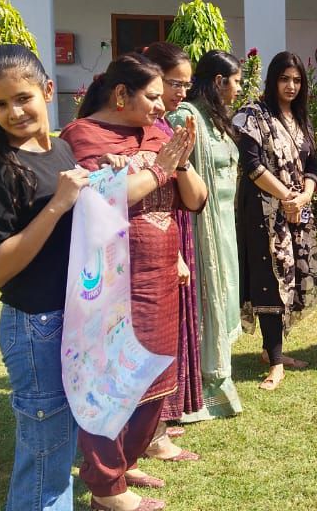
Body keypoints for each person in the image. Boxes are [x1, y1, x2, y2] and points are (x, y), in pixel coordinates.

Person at [61, 53, 205, 511]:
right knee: (112, 377)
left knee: (151, 377)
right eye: (153, 97)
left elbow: (196, 200)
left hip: (161, 273)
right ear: (121, 95)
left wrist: (178, 162)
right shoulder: (82, 136)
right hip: (113, 280)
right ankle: (106, 488)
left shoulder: (157, 133)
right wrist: (157, 167)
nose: (163, 107)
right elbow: (101, 201)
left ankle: (122, 463)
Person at [0, 44, 87, 511]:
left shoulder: (59, 148)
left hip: (71, 315)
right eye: (0, 104)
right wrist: (59, 203)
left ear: (47, 89)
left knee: (59, 446)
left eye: (23, 98)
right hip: (35, 324)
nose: (14, 112)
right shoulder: (0, 168)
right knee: (45, 458)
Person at [232, 51, 317, 390]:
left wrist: (303, 196)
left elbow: (313, 167)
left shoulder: (300, 119)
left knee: (295, 275)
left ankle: (275, 350)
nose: (291, 86)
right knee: (270, 278)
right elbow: (252, 165)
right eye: (285, 79)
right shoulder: (252, 115)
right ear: (271, 80)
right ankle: (274, 362)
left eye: (297, 80)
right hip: (263, 212)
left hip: (297, 212)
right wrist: (287, 196)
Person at [138, 41, 203, 464]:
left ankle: (158, 423)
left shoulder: (166, 128)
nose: (180, 93)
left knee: (165, 339)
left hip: (171, 232)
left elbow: (194, 198)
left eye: (186, 84)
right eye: (174, 83)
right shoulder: (119, 130)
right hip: (138, 248)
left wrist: (179, 162)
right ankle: (149, 433)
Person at [171, 50, 246, 420]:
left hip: (223, 224)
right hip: (199, 225)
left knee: (223, 294)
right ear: (219, 81)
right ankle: (199, 385)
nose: (239, 89)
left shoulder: (216, 119)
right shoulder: (187, 117)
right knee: (204, 296)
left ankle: (218, 377)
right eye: (236, 81)